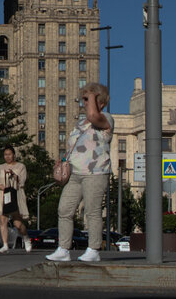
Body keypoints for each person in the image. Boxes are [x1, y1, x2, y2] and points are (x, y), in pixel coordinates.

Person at [47, 82, 114, 263]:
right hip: (75, 173)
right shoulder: (81, 123)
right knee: (64, 209)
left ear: (99, 101)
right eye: (83, 99)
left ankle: (93, 249)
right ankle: (63, 248)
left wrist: (92, 94)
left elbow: (93, 115)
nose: (84, 102)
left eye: (87, 99)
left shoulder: (105, 118)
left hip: (96, 172)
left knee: (92, 211)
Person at [0, 145, 32, 253]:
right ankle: (5, 245)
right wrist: (1, 187)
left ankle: (26, 237)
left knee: (17, 224)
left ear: (14, 155)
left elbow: (22, 181)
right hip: (3, 195)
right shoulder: (0, 167)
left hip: (15, 195)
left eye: (9, 154)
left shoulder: (21, 166)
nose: (7, 157)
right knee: (3, 219)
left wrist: (15, 176)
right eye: (5, 155)